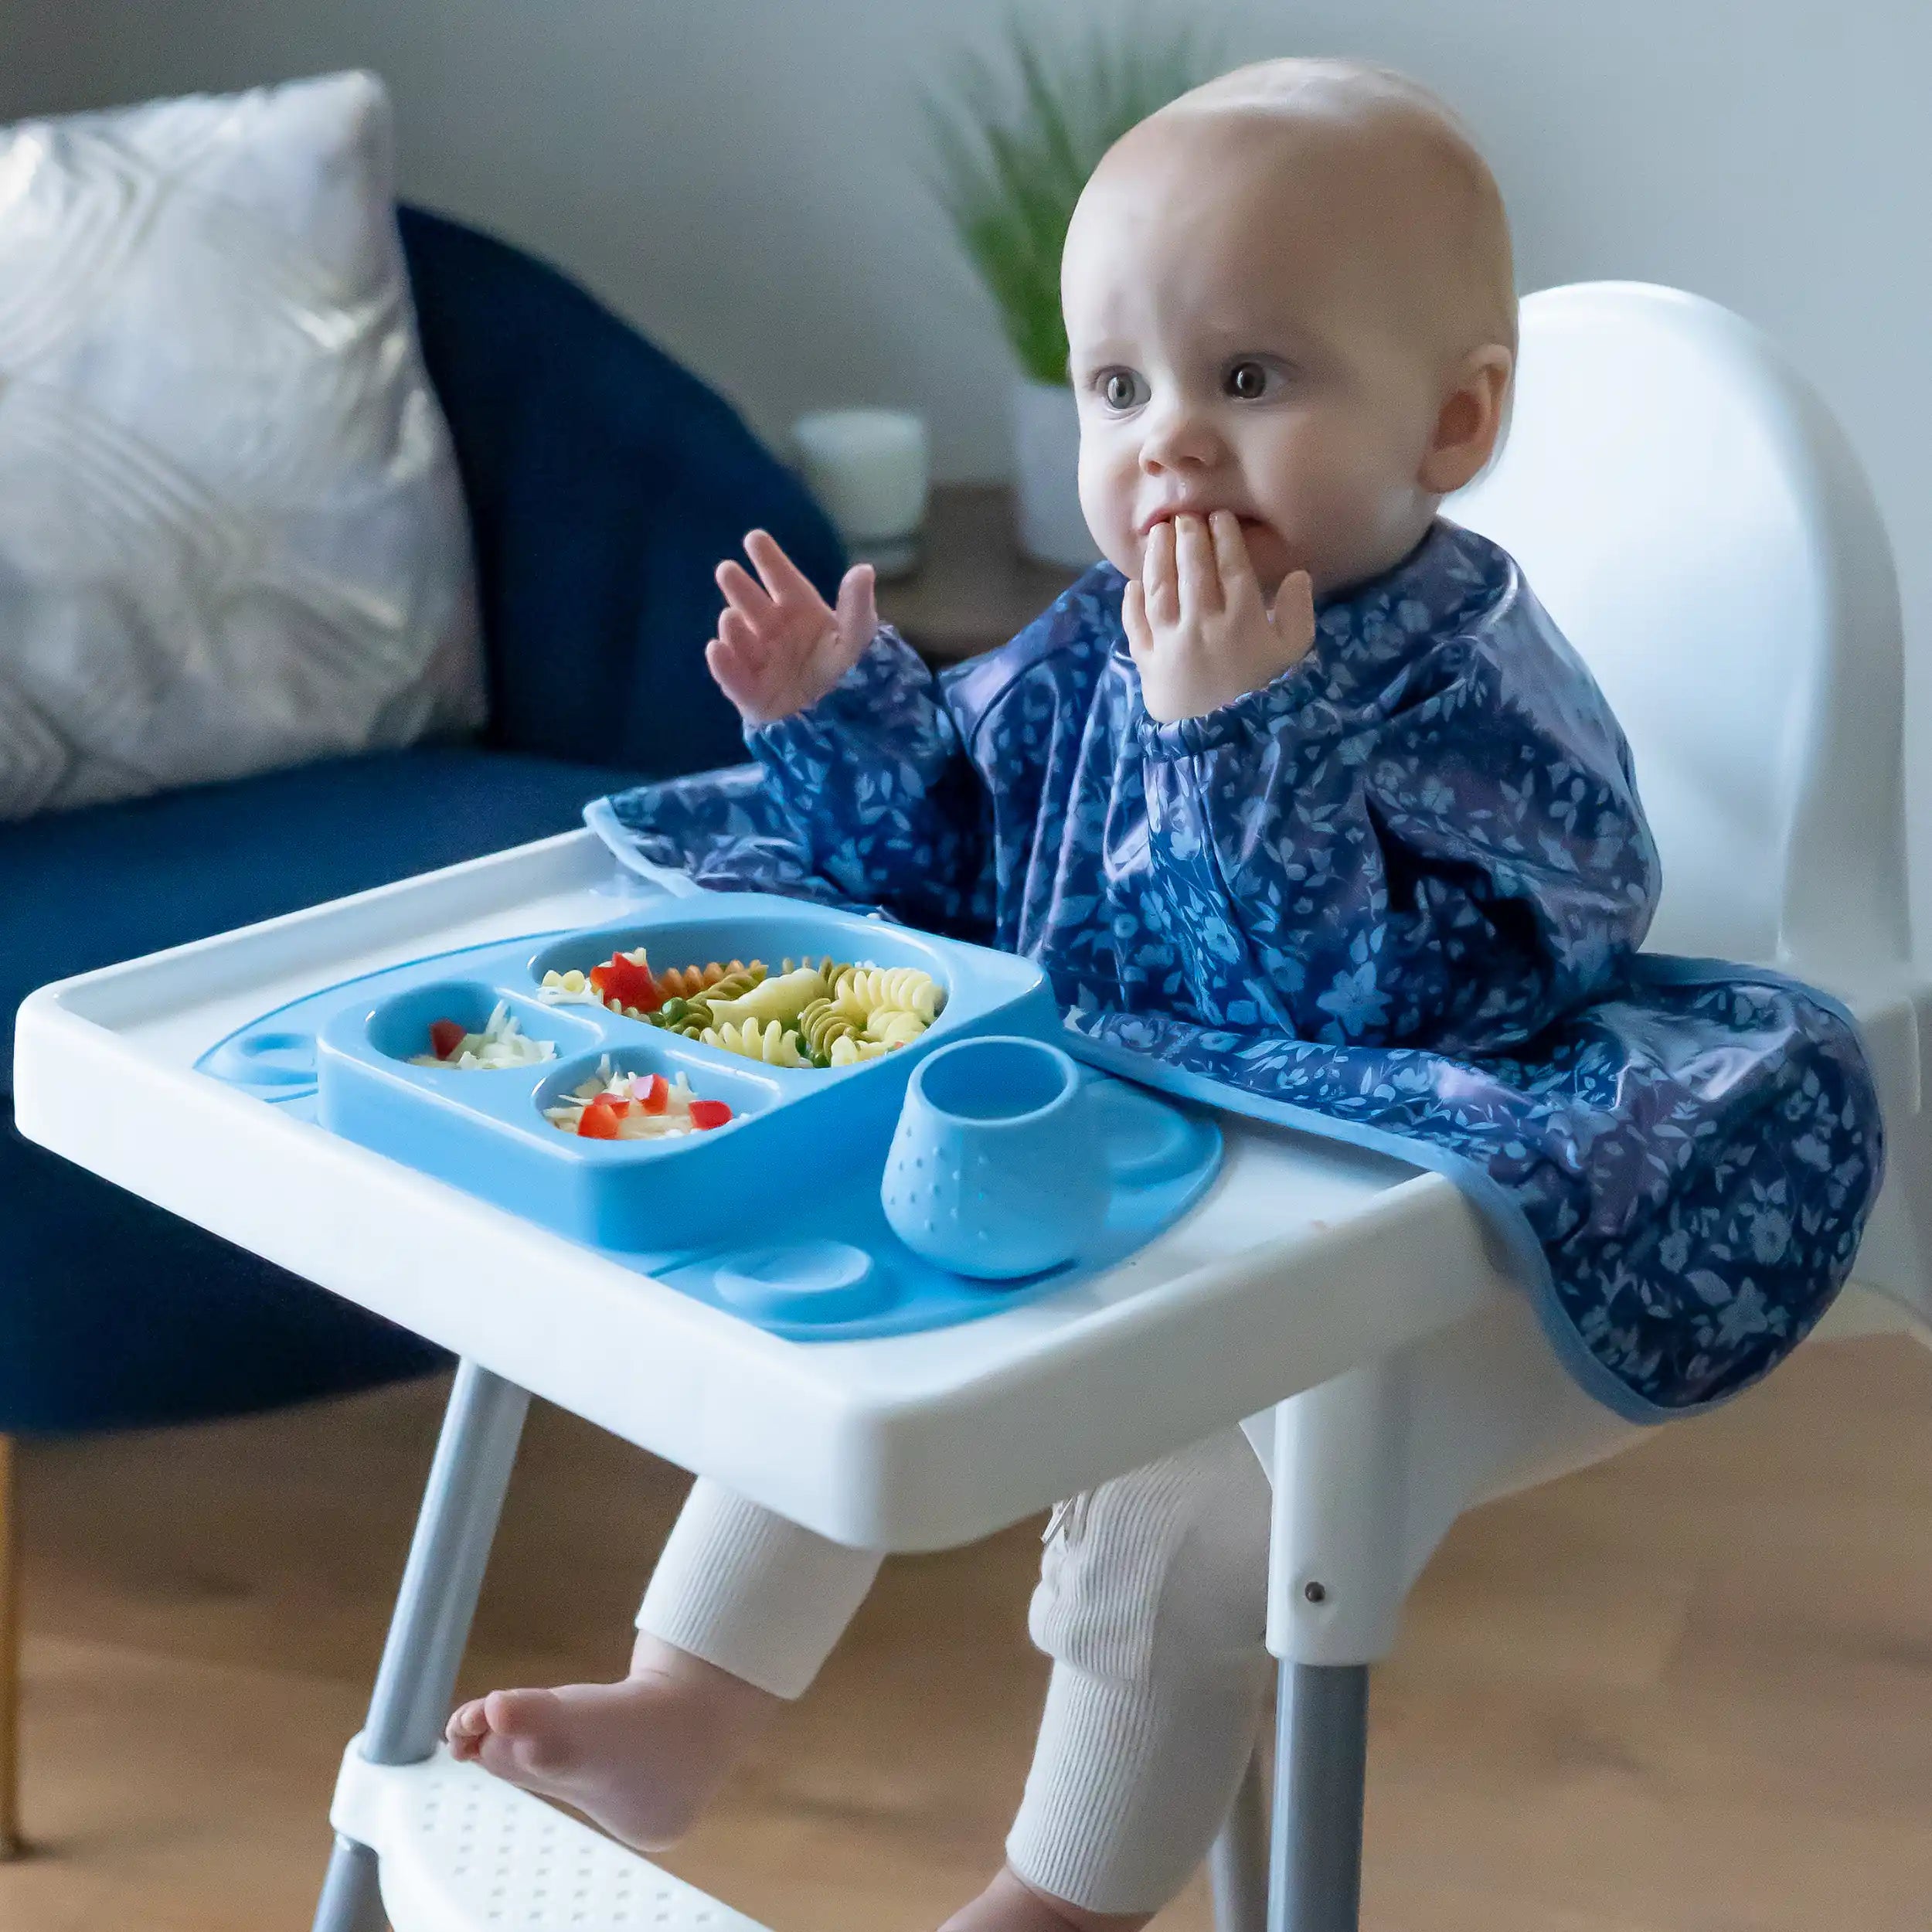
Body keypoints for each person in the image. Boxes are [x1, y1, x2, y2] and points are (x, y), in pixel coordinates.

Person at [447, 56, 1659, 1931]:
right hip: (1114, 1137)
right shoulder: (1106, 630)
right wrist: (836, 718)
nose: (1167, 444)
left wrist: (1237, 739)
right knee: (843, 1290)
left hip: (1365, 1227)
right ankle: (682, 1700)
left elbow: (1397, 998)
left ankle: (1053, 1903)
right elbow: (958, 850)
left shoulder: (1471, 681)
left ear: (1449, 421)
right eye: (1118, 388)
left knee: (1177, 1515)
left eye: (1244, 378)